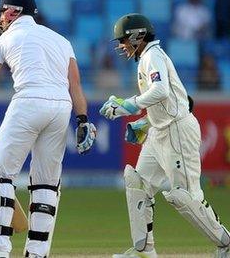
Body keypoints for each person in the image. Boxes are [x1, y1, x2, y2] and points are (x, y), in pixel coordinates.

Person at [0, 0, 96, 257]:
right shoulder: (61, 40)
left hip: (29, 102)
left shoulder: (4, 40)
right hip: (61, 107)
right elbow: (75, 85)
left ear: (13, 11)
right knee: (46, 182)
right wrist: (83, 119)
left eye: (3, 12)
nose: (1, 18)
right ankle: (37, 252)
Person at [99, 13, 230, 258]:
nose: (121, 46)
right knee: (138, 183)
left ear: (137, 36)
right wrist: (146, 122)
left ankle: (226, 242)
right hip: (160, 131)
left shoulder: (153, 56)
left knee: (185, 196)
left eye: (123, 40)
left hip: (177, 131)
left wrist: (128, 106)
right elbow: (173, 99)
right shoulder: (147, 58)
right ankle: (143, 250)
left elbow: (160, 91)